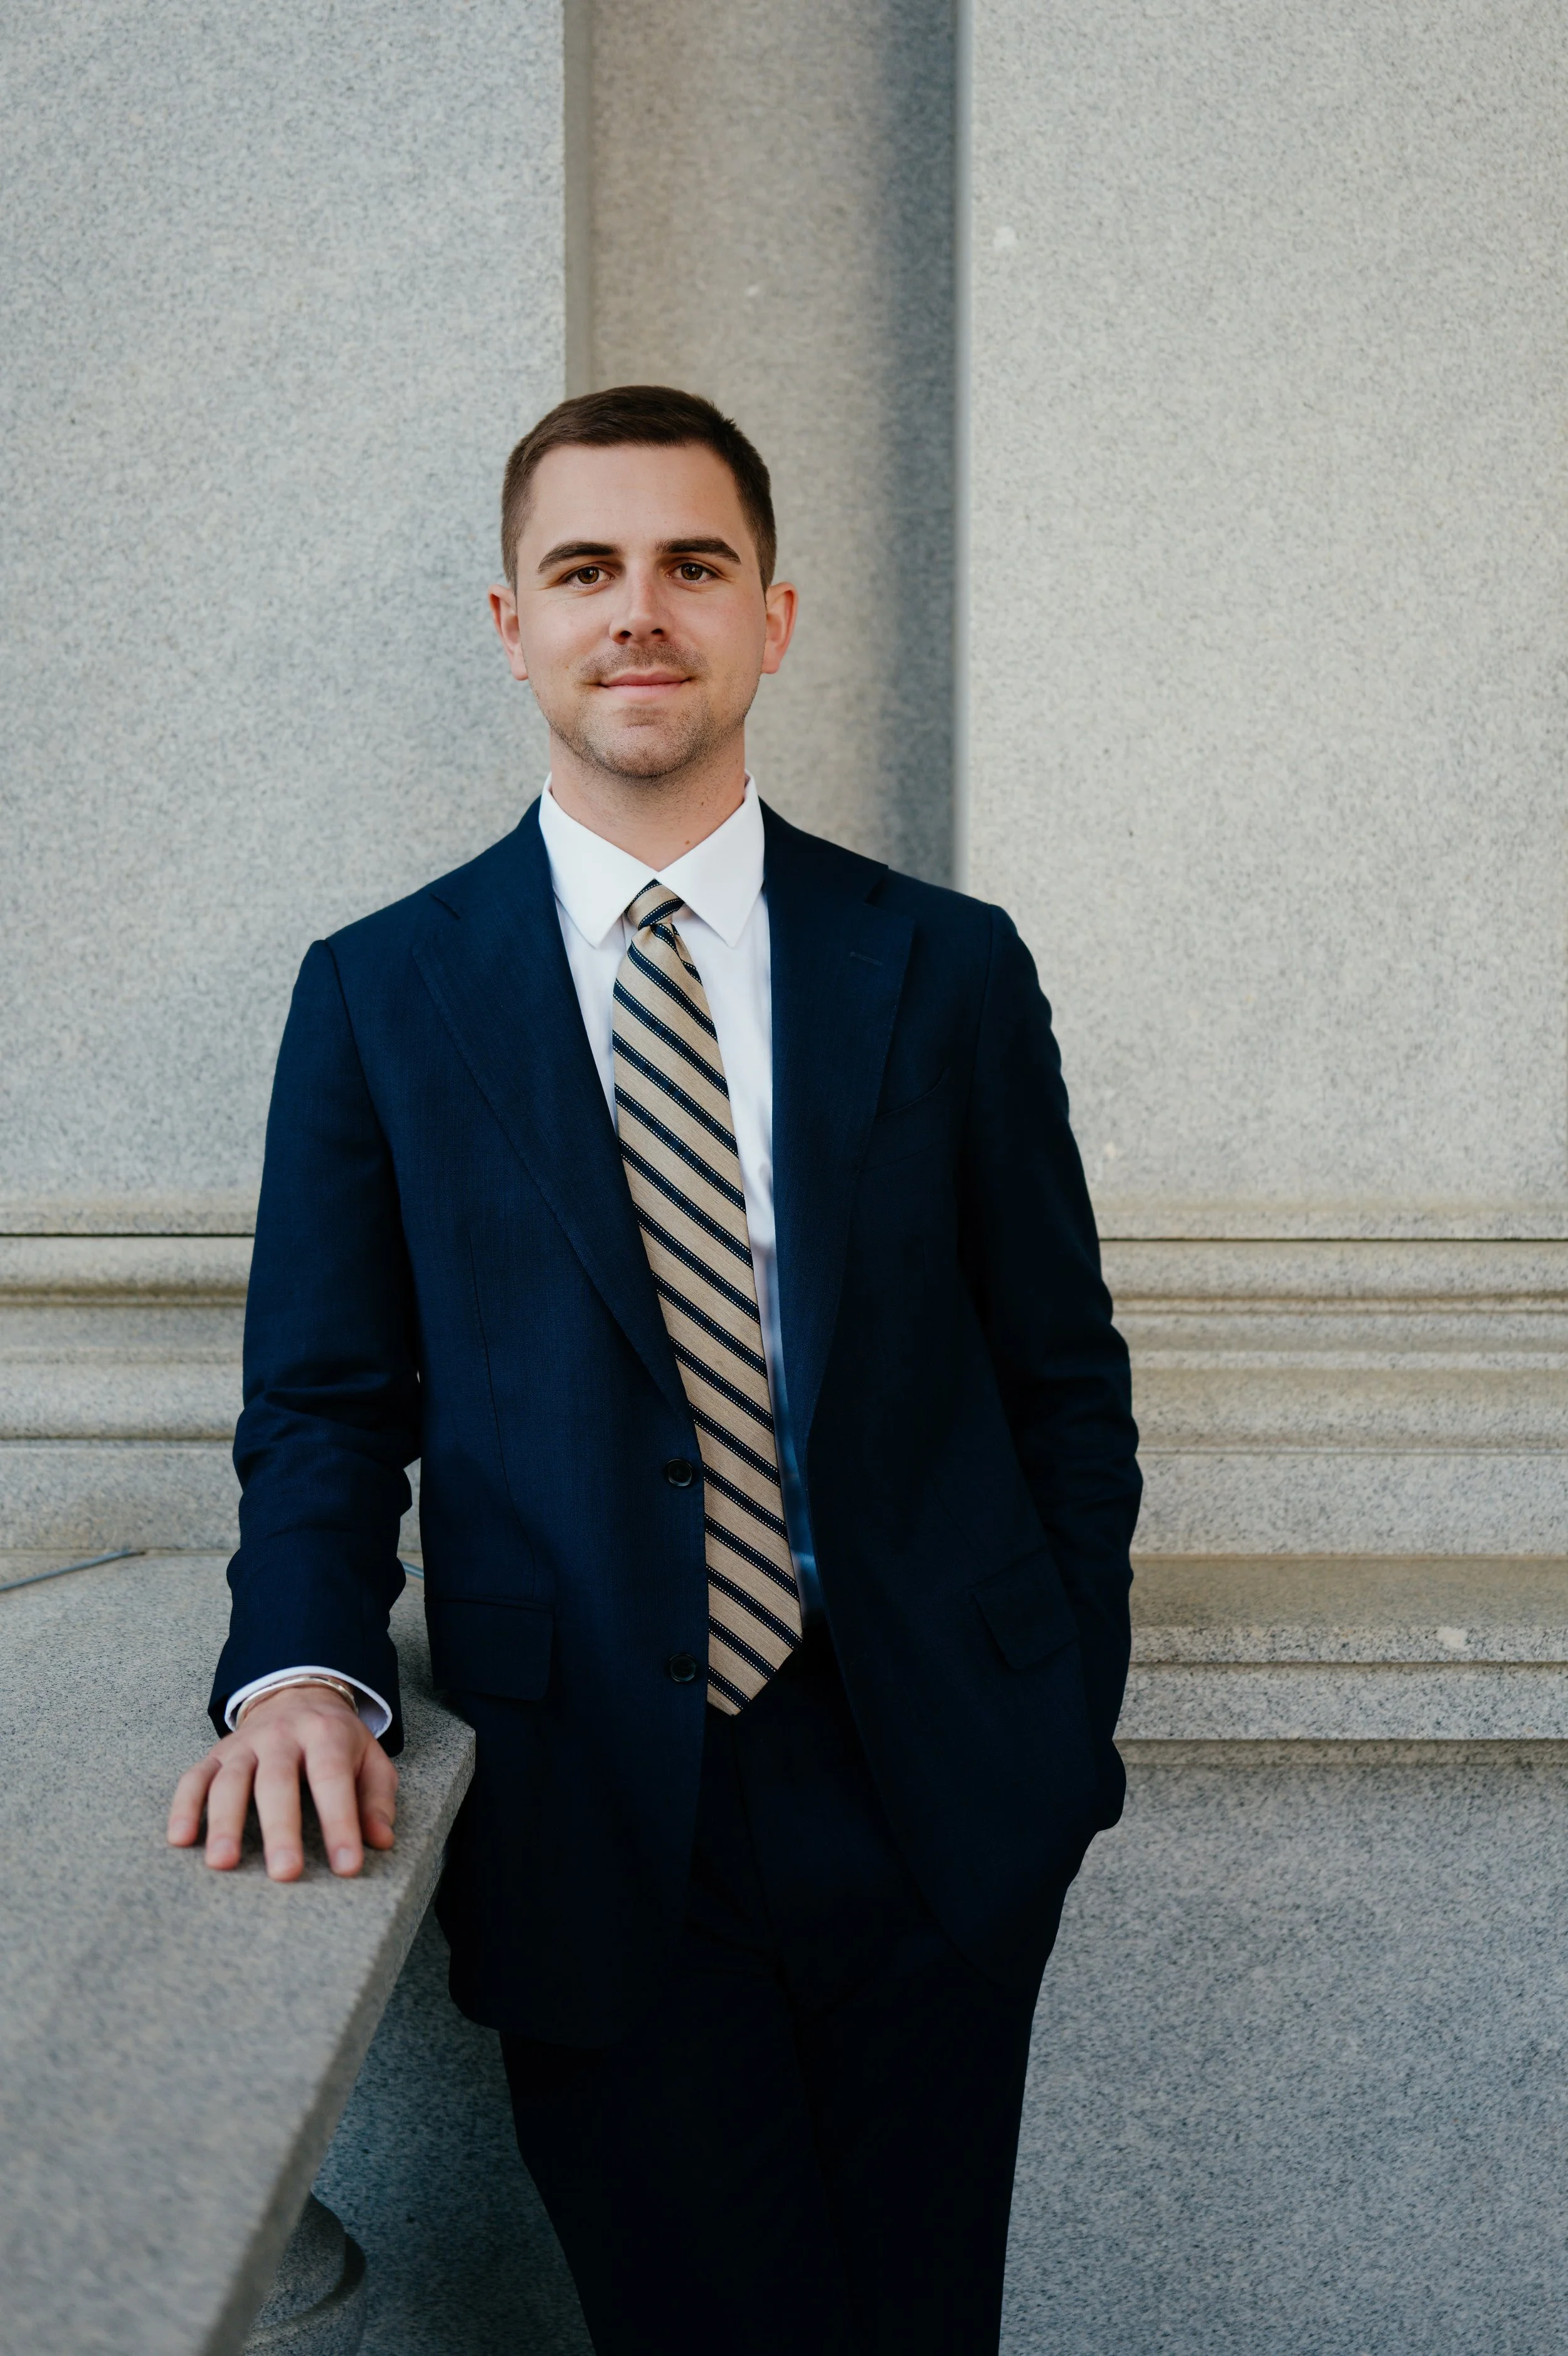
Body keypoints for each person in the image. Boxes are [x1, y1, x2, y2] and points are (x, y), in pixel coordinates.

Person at [168, 384, 1141, 2355]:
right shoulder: (379, 990)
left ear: (768, 618)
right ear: (509, 620)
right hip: (594, 1807)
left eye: (691, 564)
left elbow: (1060, 1371)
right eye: (584, 567)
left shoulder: (943, 969)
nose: (639, 609)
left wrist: (1052, 1722)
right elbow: (328, 1402)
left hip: (937, 1787)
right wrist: (298, 1666)